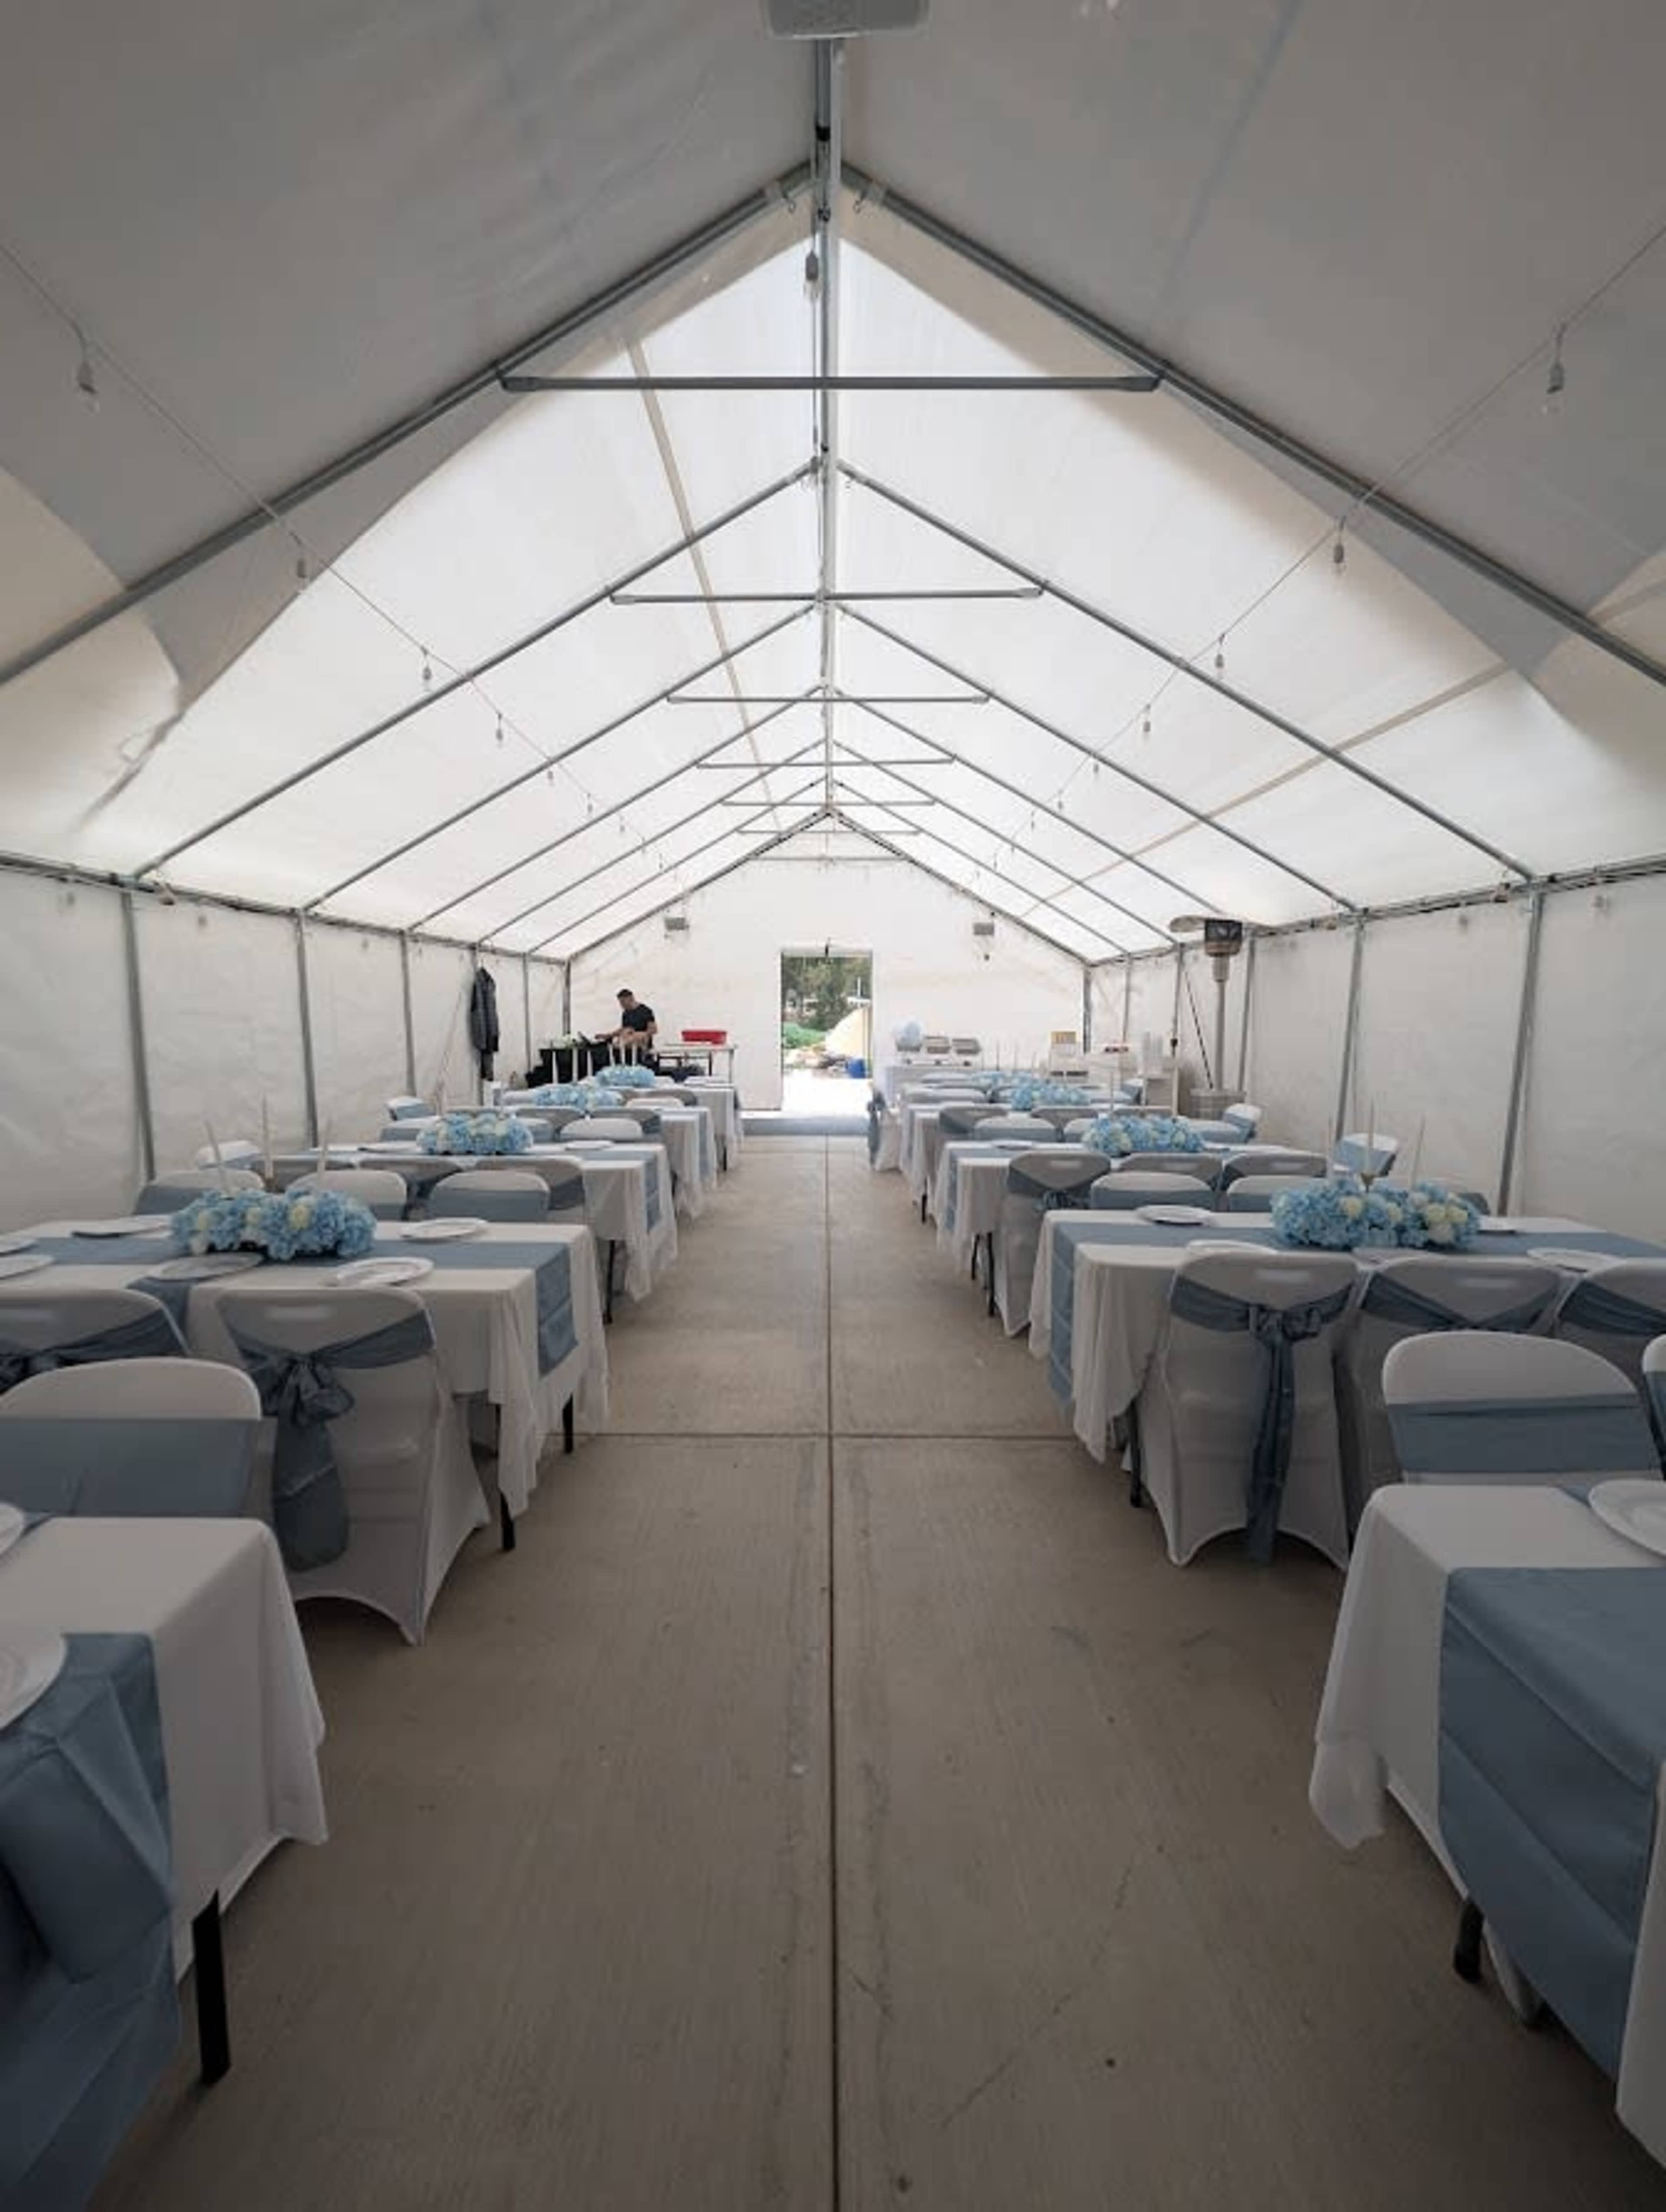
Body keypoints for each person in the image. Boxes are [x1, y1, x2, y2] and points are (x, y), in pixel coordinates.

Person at [606, 988, 657, 1064]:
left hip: (642, 1045)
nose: (622, 1005)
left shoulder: (645, 1011)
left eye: (623, 1002)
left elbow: (654, 1030)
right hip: (628, 1045)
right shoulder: (626, 1013)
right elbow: (624, 1029)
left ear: (631, 998)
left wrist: (639, 1034)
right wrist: (609, 1035)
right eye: (620, 1003)